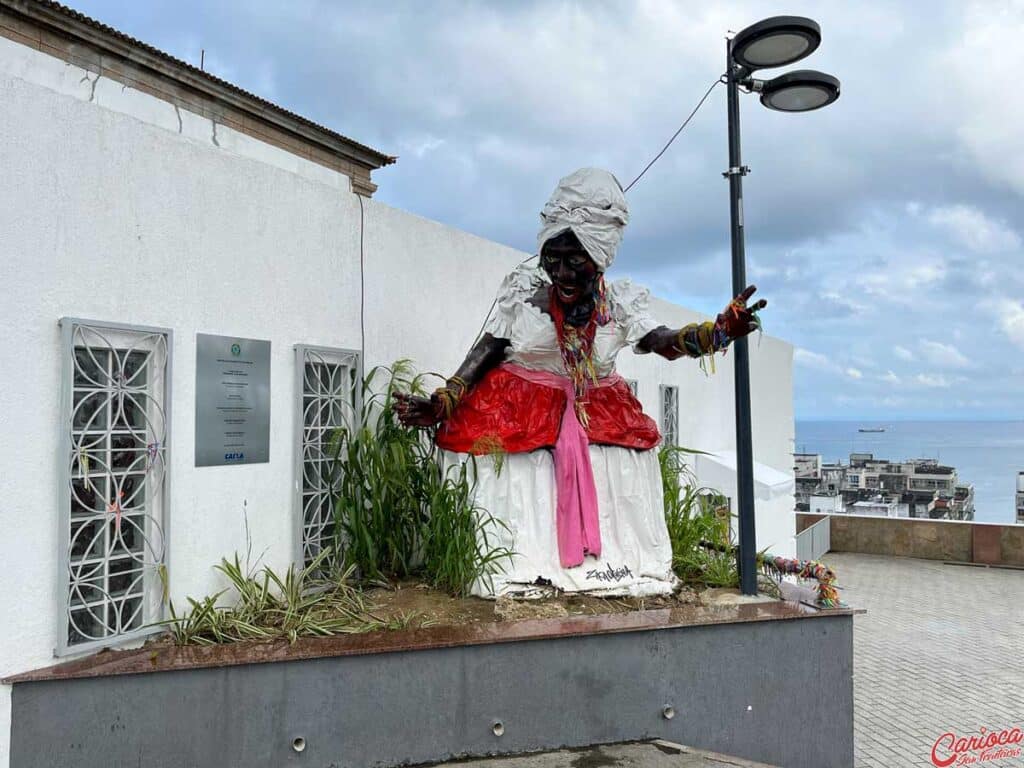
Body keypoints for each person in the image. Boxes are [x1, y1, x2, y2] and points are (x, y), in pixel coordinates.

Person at [396, 168, 765, 597]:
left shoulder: (621, 302)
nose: (563, 273)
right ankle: (522, 568)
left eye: (576, 260)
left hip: (598, 410)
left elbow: (662, 341)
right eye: (553, 259)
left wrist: (714, 334)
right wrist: (445, 400)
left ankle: (608, 567)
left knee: (621, 461)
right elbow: (489, 348)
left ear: (600, 256)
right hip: (517, 410)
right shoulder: (523, 291)